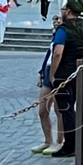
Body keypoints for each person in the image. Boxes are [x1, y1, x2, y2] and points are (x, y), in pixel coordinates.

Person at [45, 0, 83, 158]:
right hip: (80, 70)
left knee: (66, 109)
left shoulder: (64, 29)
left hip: (64, 72)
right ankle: (78, 143)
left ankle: (70, 145)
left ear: (68, 11)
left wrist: (53, 74)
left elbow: (57, 53)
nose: (62, 11)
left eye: (63, 9)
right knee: (73, 107)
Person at [32, 17, 61, 154]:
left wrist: (54, 74)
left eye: (59, 20)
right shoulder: (56, 35)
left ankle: (60, 141)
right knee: (42, 110)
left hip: (58, 72)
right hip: (47, 70)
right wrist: (42, 72)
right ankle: (47, 140)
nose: (55, 22)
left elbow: (58, 54)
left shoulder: (64, 34)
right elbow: (49, 55)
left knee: (59, 109)